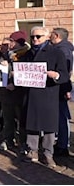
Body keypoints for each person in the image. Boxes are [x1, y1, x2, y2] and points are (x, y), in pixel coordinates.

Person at [23, 26, 69, 168]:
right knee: (32, 123)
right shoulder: (27, 53)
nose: (35, 39)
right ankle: (32, 150)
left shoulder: (56, 53)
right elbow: (20, 68)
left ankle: (48, 153)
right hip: (31, 93)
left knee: (49, 125)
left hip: (48, 93)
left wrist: (56, 75)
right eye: (33, 37)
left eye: (38, 37)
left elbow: (64, 75)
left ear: (47, 37)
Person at [0, 31, 31, 152]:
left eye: (12, 41)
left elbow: (29, 74)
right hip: (6, 93)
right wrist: (2, 65)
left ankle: (23, 144)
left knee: (22, 120)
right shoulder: (6, 55)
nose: (9, 43)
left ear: (18, 42)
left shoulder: (27, 55)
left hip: (20, 94)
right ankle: (8, 140)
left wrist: (15, 84)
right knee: (8, 119)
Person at [50, 27, 73, 157]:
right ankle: (61, 143)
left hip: (60, 86)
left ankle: (63, 145)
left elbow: (64, 71)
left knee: (61, 116)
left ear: (57, 35)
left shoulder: (62, 50)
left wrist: (65, 88)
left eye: (51, 34)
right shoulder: (64, 48)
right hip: (61, 86)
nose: (49, 37)